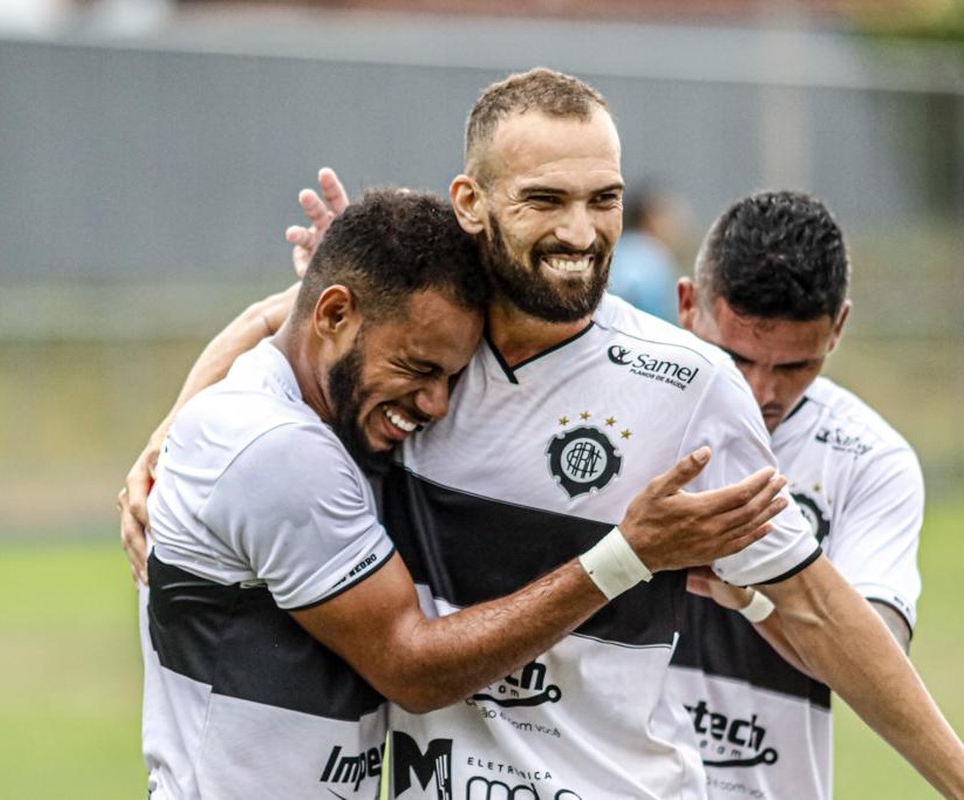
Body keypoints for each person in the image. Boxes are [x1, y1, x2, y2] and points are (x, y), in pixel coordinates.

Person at [122, 69, 964, 798]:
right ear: (471, 205)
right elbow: (289, 324)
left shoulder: (689, 389)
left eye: (605, 200)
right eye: (544, 201)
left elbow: (814, 605)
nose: (579, 232)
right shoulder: (417, 361)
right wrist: (164, 443)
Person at [137, 189, 787, 799]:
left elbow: (295, 318)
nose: (436, 404)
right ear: (334, 314)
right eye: (418, 368)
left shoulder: (311, 408)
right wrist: (628, 555)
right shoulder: (278, 448)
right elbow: (412, 667)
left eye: (452, 377)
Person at [667, 190, 924, 799]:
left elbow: (876, 658)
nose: (760, 393)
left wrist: (756, 594)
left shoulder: (869, 459)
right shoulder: (623, 409)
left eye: (794, 367)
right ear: (687, 306)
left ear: (837, 328)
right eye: (736, 358)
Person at [607, 180, 688, 322]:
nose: (678, 223)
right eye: (669, 214)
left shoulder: (617, 247)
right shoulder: (653, 256)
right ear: (650, 216)